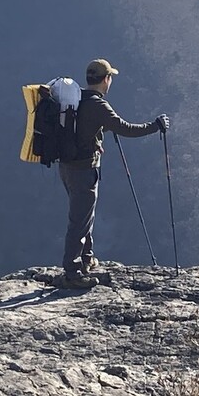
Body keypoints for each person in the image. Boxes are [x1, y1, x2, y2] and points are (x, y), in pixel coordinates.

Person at [59, 58, 170, 288]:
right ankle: (72, 272)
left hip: (68, 167)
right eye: (110, 78)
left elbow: (85, 127)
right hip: (84, 170)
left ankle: (86, 260)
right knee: (79, 219)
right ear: (106, 79)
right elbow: (125, 128)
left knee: (83, 215)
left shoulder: (77, 98)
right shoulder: (98, 106)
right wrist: (155, 126)